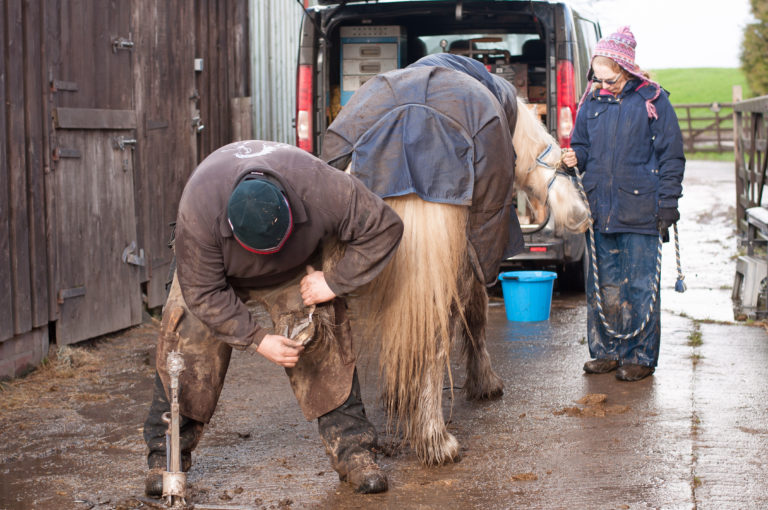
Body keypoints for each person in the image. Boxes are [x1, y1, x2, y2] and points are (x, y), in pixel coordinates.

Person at [142, 140, 404, 496]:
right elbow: (203, 292)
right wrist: (258, 338)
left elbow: (385, 227)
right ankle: (166, 458)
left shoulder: (321, 186)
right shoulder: (199, 208)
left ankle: (355, 452)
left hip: (294, 270)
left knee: (321, 331)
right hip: (216, 276)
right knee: (186, 342)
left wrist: (333, 281)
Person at [562, 26, 685, 382]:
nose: (605, 86)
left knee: (640, 286)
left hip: (642, 211)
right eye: (598, 79)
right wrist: (575, 158)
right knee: (604, 287)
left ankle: (641, 357)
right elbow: (582, 145)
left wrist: (668, 203)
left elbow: (672, 157)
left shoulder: (653, 101)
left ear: (625, 68)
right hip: (600, 210)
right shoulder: (591, 102)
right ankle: (606, 353)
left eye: (610, 79)